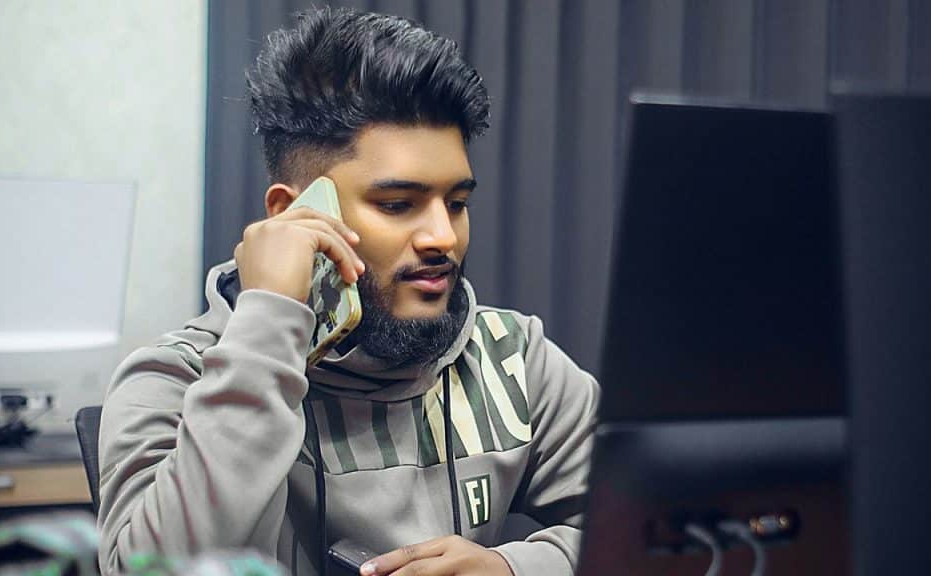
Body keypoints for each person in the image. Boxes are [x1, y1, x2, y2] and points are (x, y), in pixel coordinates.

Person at [96, 7, 599, 576]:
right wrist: (268, 329)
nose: (443, 237)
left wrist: (514, 571)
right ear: (293, 214)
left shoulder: (514, 359)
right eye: (396, 204)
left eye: (456, 203)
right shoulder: (175, 380)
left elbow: (671, 532)